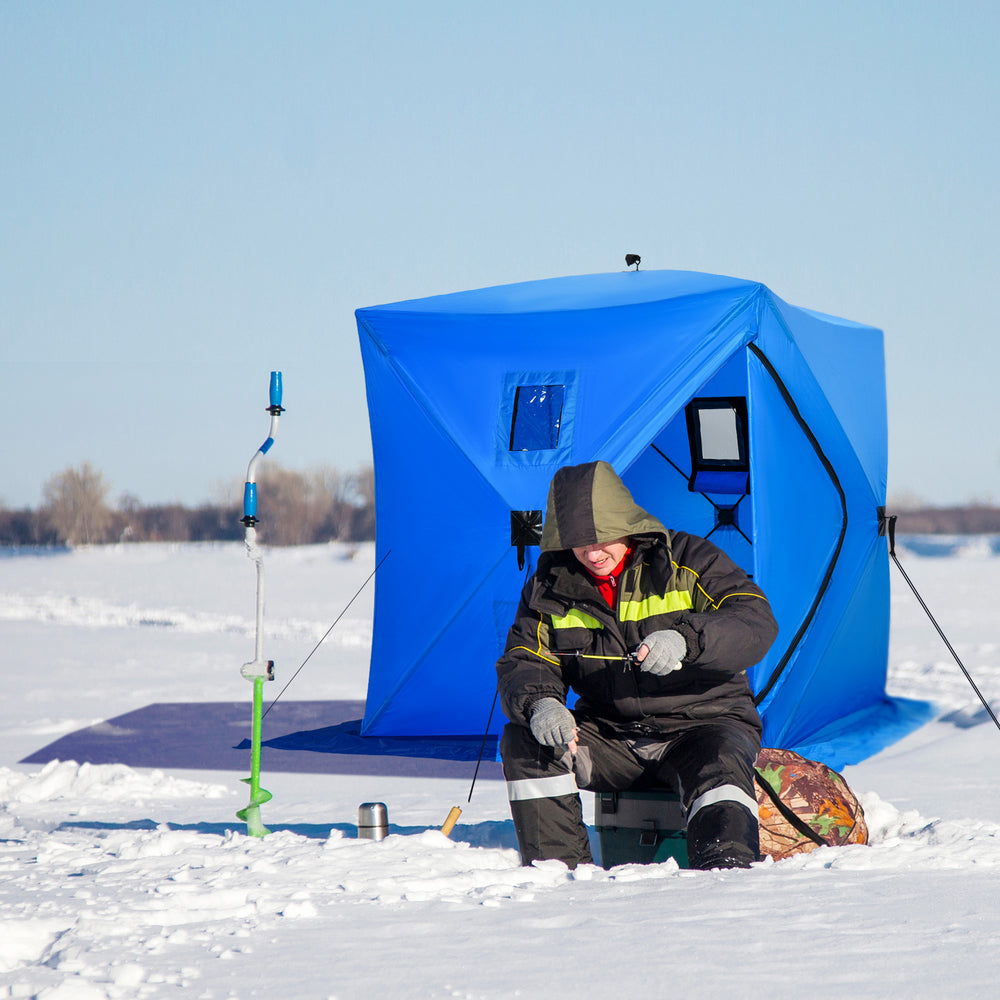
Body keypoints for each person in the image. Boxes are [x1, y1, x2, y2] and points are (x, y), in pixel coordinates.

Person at [496, 460, 778, 870]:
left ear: (626, 523)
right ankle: (559, 876)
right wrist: (541, 703)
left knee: (719, 765)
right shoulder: (549, 585)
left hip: (704, 726)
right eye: (578, 542)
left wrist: (686, 640)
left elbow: (754, 622)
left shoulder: (689, 558)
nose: (592, 554)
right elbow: (526, 656)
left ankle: (725, 874)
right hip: (613, 737)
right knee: (528, 742)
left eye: (603, 538)